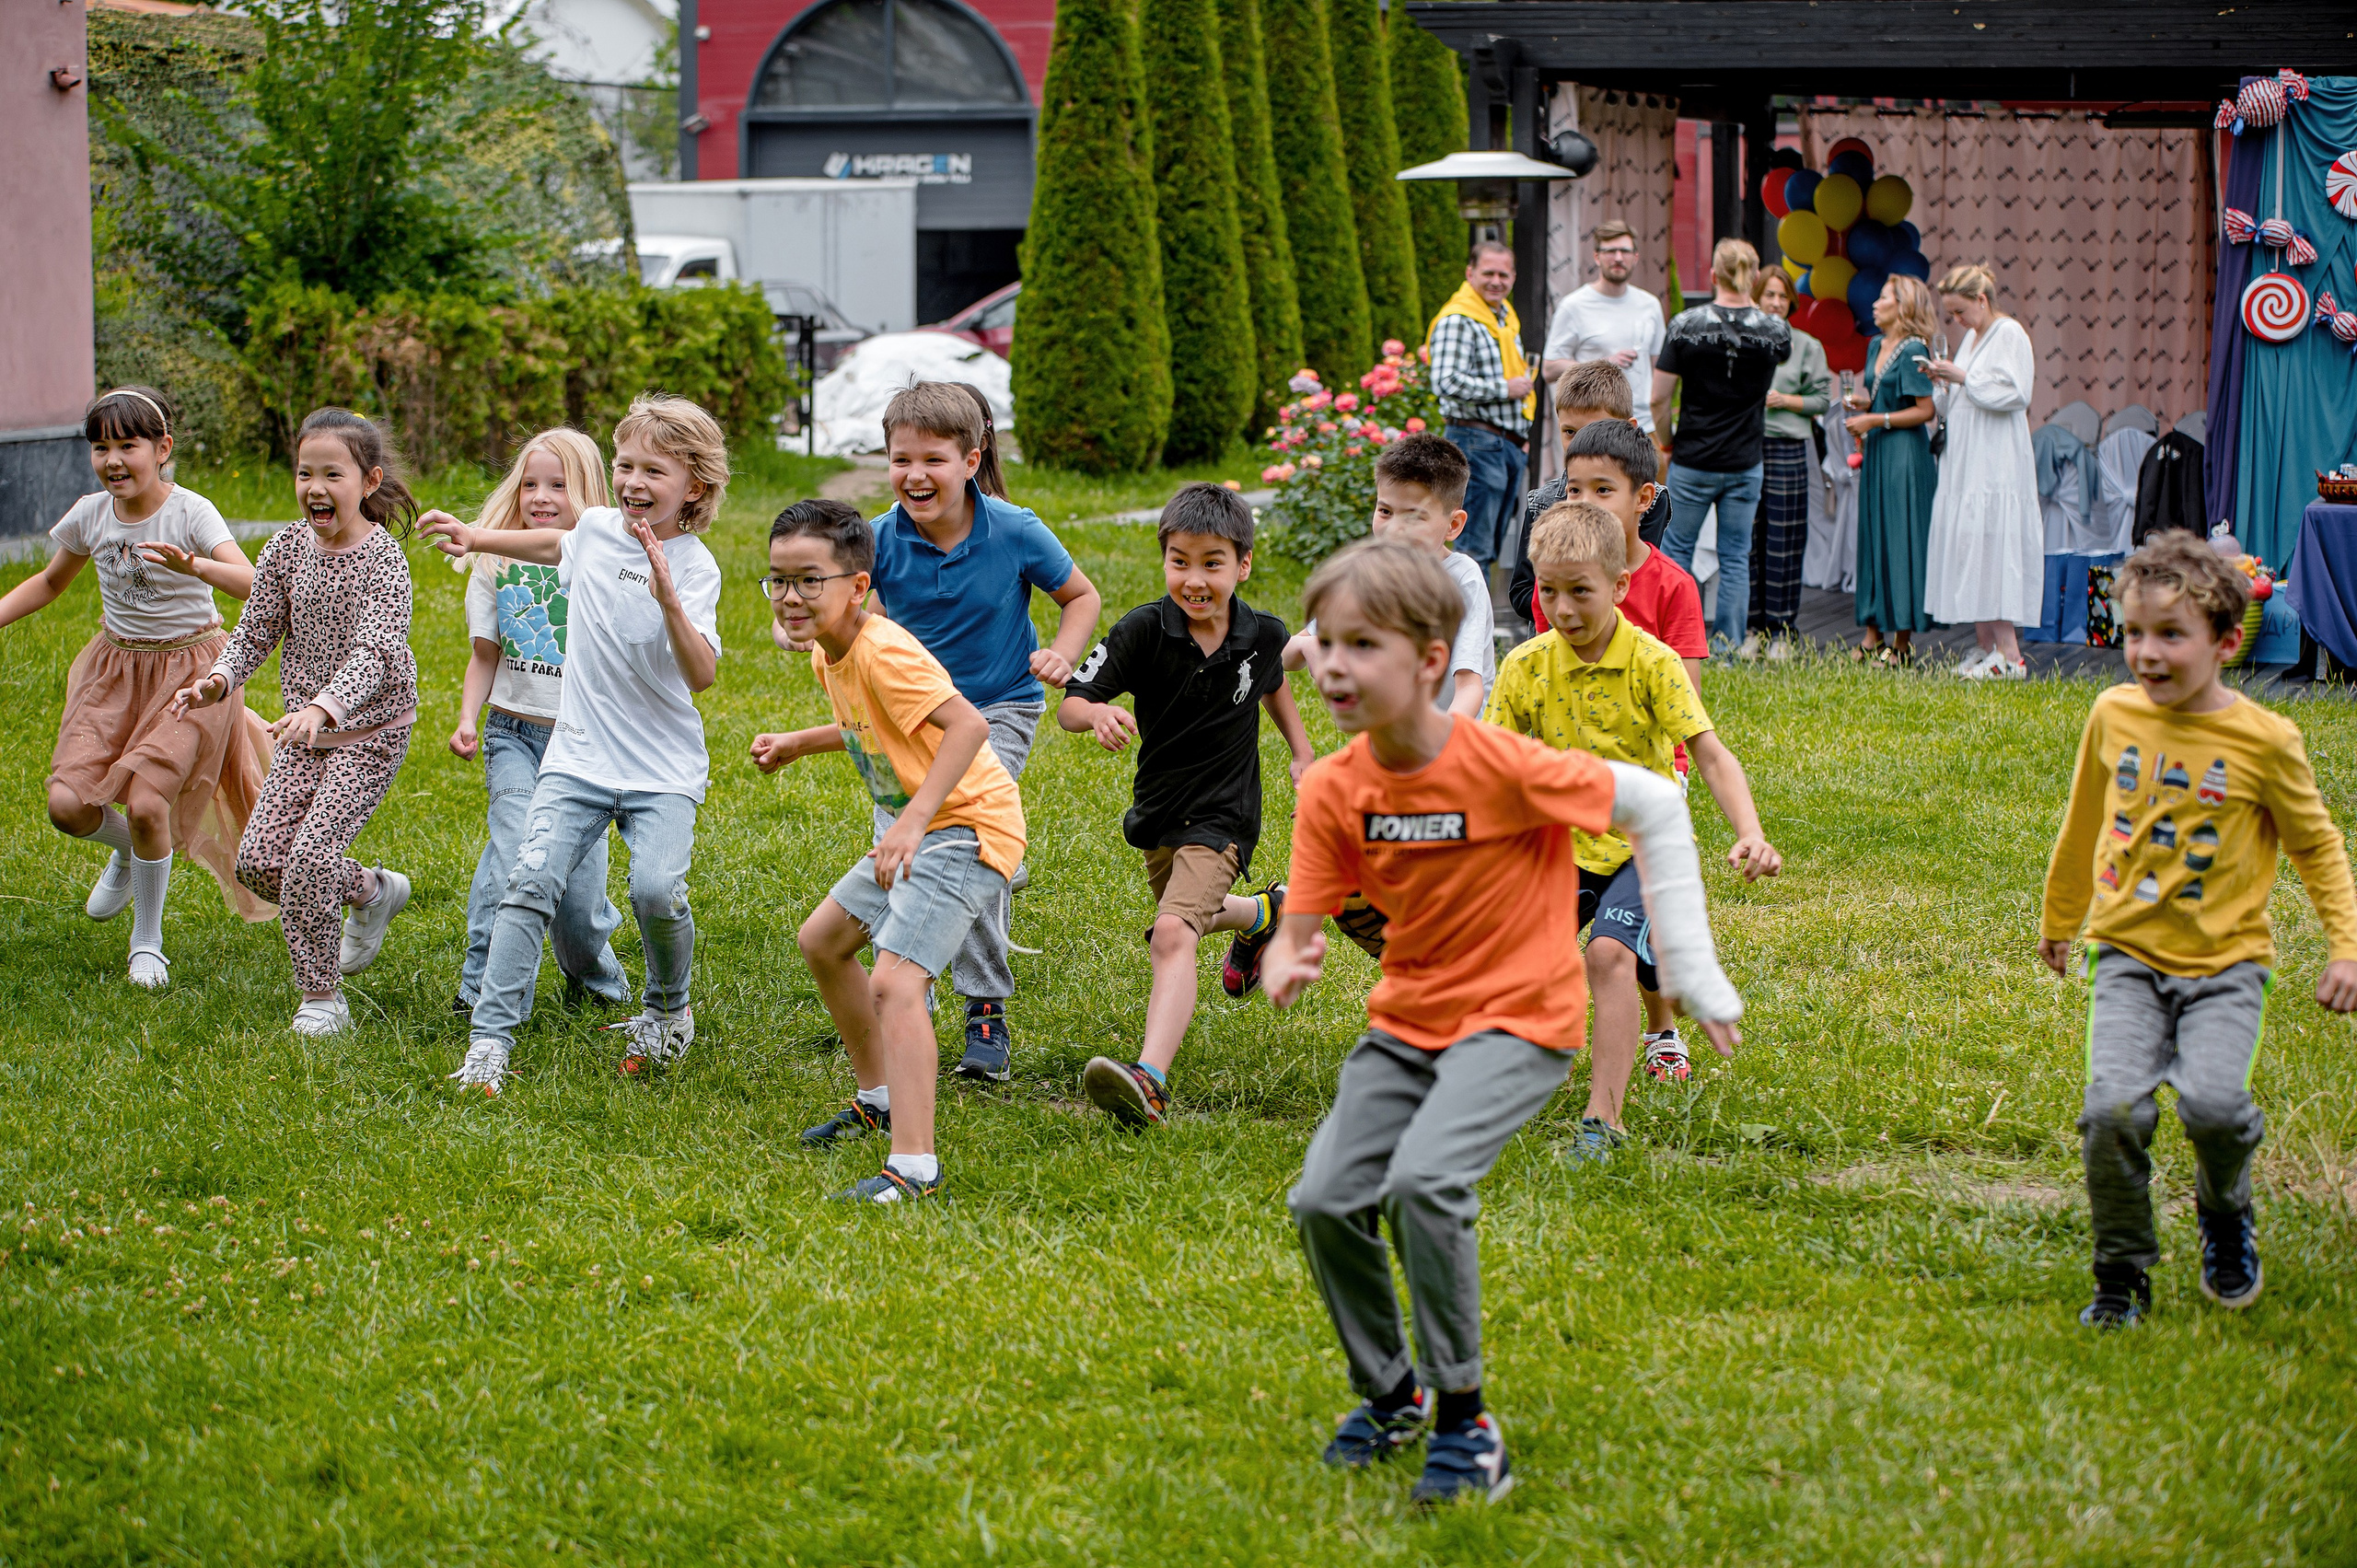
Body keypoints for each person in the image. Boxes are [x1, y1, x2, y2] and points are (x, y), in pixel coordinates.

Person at [1263, 539, 1741, 1508]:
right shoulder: (1333, 787)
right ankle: (1390, 1391)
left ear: (1431, 660)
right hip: (1408, 1020)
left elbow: (1652, 800)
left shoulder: (1502, 764)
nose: (1335, 665)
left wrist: (1688, 963)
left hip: (1521, 1019)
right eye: (1325, 643)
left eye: (1364, 644)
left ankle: (1466, 1420)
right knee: (1322, 1199)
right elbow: (1305, 914)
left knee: (1425, 1183)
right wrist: (1287, 953)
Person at [2039, 533, 2357, 1328]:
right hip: (2126, 955)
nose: (2145, 654)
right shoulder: (2112, 715)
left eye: (2169, 635)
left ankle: (2225, 1210)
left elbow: (2318, 846)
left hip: (2226, 965)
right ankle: (2121, 1268)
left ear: (2224, 640)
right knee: (2112, 1110)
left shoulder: (2266, 740)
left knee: (2214, 1106)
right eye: (2134, 633)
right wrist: (2061, 917)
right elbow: (2083, 824)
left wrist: (2346, 945)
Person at [423, 394, 727, 1091]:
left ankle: (667, 1009)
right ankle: (489, 1040)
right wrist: (477, 537)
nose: (632, 482)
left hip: (661, 768)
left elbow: (702, 674)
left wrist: (667, 597)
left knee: (655, 890)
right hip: (578, 757)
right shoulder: (594, 530)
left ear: (695, 488)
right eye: (624, 465)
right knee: (528, 880)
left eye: (654, 470)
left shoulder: (697, 566)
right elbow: (551, 543)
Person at [1486, 500, 1778, 1152]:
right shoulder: (1525, 667)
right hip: (1557, 847)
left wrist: (1750, 830)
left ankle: (1604, 1120)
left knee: (1609, 954)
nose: (1563, 610)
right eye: (1549, 591)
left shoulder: (1652, 662)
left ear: (1619, 587)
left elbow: (1709, 751)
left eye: (1580, 591)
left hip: (1640, 846)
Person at [758, 501, 1026, 1204]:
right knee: (823, 941)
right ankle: (877, 1098)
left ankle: (914, 1166)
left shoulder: (884, 651)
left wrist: (912, 820)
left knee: (896, 984)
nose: (790, 596)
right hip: (922, 825)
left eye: (809, 580)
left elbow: (968, 725)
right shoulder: (831, 649)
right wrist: (797, 742)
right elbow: (867, 725)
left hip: (966, 827)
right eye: (780, 579)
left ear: (858, 586)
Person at [839, 382, 1100, 1081]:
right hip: (911, 719)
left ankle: (985, 1006)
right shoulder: (878, 538)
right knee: (903, 852)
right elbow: (851, 611)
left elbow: (1081, 595)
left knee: (963, 844)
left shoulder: (1014, 527)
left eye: (933, 459)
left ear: (972, 459)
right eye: (900, 459)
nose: (915, 475)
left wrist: (1063, 654)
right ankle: (898, 990)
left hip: (1000, 707)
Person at [1056, 483, 1316, 1127]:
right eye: (1180, 561)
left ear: (1243, 564)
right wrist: (1097, 714)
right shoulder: (1142, 629)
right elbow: (1069, 704)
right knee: (1188, 912)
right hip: (1158, 812)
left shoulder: (1262, 635)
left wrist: (1303, 753)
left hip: (1226, 814)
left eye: (1212, 563)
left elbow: (1273, 683)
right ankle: (1265, 914)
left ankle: (1150, 1079)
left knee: (1173, 932)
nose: (1194, 579)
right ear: (1164, 558)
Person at [0, 387, 272, 989]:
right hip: (116, 671)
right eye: (101, 447)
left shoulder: (190, 512)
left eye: (128, 444)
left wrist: (193, 565)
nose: (113, 459)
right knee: (68, 807)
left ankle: (146, 941)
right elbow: (47, 583)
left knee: (150, 805)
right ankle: (127, 849)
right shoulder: (89, 515)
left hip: (191, 673)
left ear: (162, 448)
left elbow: (250, 581)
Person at [172, 408, 420, 1037]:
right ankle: (369, 890)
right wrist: (220, 678)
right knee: (258, 861)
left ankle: (322, 999)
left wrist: (324, 706)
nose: (314, 486)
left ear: (368, 481)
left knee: (309, 856)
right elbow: (255, 628)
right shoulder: (285, 547)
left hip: (368, 732)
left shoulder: (385, 560)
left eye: (331, 473)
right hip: (301, 732)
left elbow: (377, 651)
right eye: (304, 472)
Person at [447, 428, 630, 1017]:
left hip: (583, 742)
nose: (541, 496)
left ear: (590, 492)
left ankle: (594, 981)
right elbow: (485, 655)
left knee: (579, 898)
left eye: (559, 484)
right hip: (514, 735)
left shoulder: (604, 560)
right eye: (530, 483)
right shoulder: (495, 563)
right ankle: (483, 991)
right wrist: (468, 719)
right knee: (514, 861)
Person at [1281, 432, 1492, 719]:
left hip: (1457, 738)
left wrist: (1445, 741)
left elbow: (1469, 686)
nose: (1395, 529)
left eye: (1414, 516)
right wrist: (1308, 645)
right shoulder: (1372, 575)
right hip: (1393, 736)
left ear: (1453, 525)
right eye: (1385, 511)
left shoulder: (1462, 578)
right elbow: (1286, 656)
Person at [1654, 239, 1793, 648]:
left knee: (1677, 550)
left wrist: (1667, 442)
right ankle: (1729, 647)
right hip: (1746, 459)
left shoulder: (1685, 325)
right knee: (1735, 557)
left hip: (1693, 456)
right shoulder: (1775, 331)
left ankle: (1677, 643)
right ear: (1752, 276)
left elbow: (1659, 398)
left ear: (1714, 275)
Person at [1922, 263, 2042, 679]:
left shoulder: (2009, 334)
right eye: (1950, 315)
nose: (1956, 321)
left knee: (1993, 543)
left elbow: (2016, 392)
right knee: (1971, 542)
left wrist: (1962, 376)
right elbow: (1960, 400)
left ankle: (2010, 655)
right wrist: (1942, 381)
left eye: (1960, 311)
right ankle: (1987, 645)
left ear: (1981, 300)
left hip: (1996, 462)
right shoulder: (1973, 338)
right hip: (1967, 458)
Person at [1506, 359, 1680, 634]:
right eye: (1569, 432)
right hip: (1554, 647)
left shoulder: (1650, 500)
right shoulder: (1542, 501)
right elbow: (1520, 590)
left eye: (1596, 431)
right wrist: (1558, 599)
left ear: (1629, 428)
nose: (1580, 445)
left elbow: (1639, 579)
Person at [1844, 274, 1942, 667]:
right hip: (1879, 451)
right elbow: (1882, 391)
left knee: (1900, 539)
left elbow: (1925, 410)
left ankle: (1901, 644)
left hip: (1904, 455)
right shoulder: (1874, 345)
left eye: (1883, 297)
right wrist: (1862, 403)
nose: (1874, 302)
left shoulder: (1915, 348)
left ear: (1903, 306)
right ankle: (1872, 636)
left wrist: (1874, 419)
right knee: (1874, 535)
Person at [1425, 241, 1534, 577]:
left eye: (1504, 273)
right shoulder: (1460, 319)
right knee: (1473, 548)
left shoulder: (1502, 318)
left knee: (1490, 545)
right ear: (1470, 273)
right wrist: (1506, 389)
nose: (1496, 281)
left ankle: (1476, 626)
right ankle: (1466, 628)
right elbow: (1445, 381)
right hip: (1475, 442)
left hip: (1502, 445)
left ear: (1514, 276)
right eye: (1488, 273)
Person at [1748, 268, 1833, 659]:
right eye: (1769, 295)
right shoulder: (1744, 342)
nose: (1776, 303)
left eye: (1782, 297)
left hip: (1788, 450)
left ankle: (1782, 631)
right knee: (1749, 541)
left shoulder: (1808, 345)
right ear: (1757, 298)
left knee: (1785, 542)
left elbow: (1822, 400)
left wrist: (1786, 401)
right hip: (1747, 448)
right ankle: (1752, 629)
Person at [1540, 219, 1668, 441]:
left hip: (1644, 428)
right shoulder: (1574, 305)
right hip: (1595, 431)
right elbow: (1549, 369)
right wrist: (1602, 364)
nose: (1618, 258)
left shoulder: (1650, 305)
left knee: (1654, 479)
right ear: (1597, 257)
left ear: (1635, 257)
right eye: (1611, 251)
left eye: (1625, 251)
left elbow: (1659, 367)